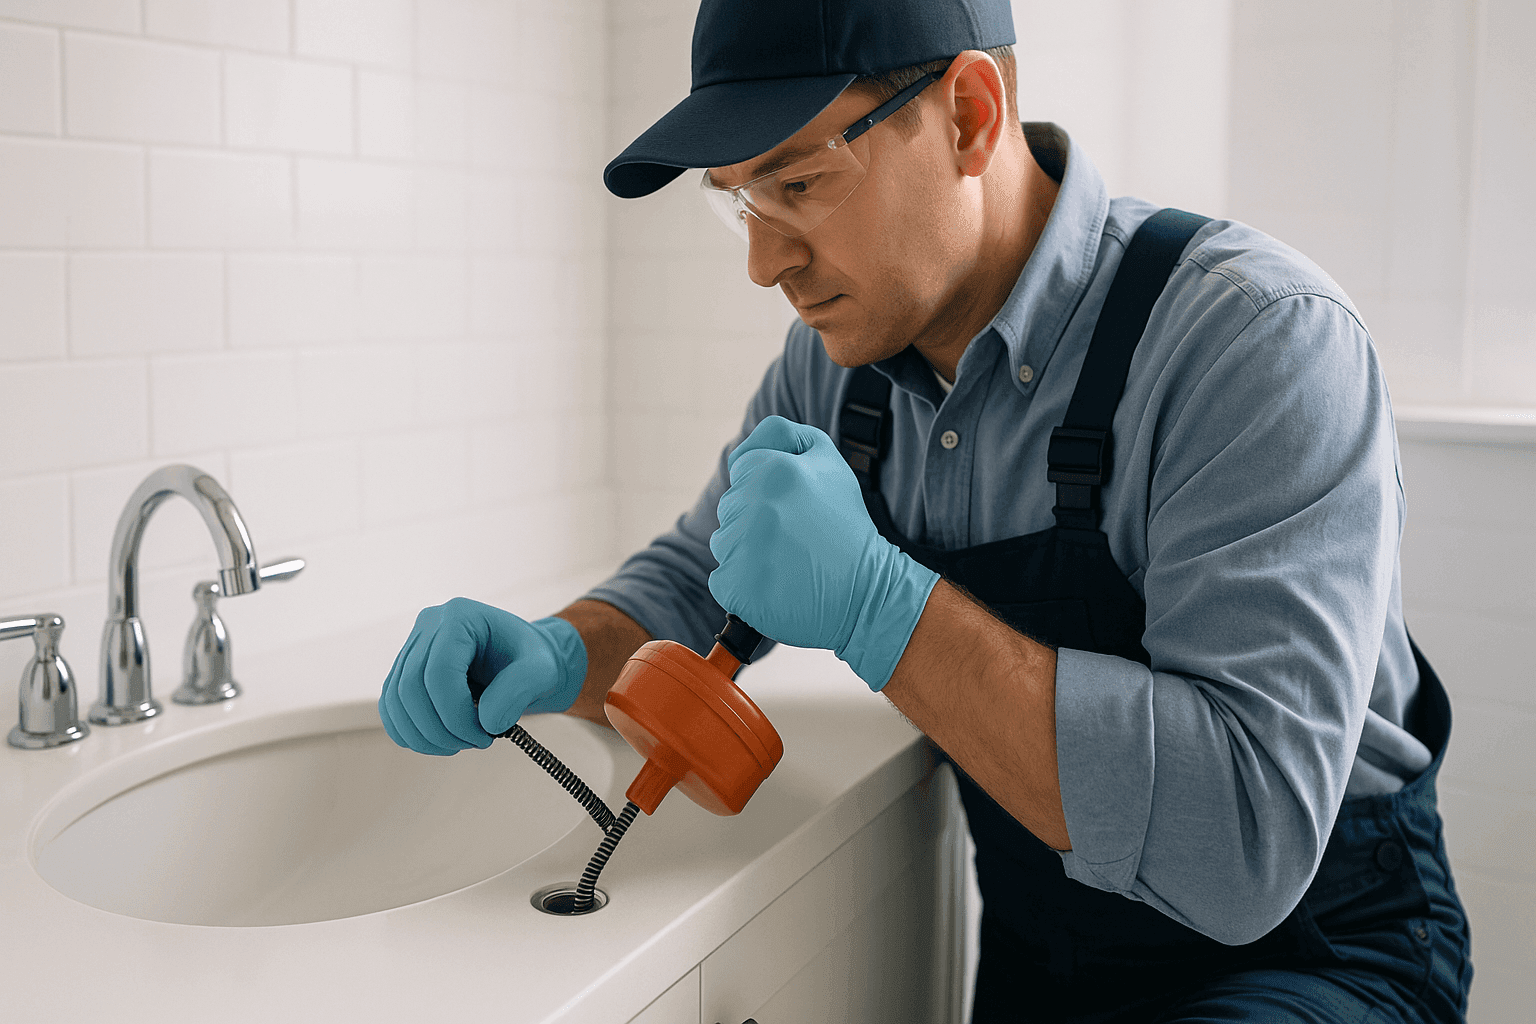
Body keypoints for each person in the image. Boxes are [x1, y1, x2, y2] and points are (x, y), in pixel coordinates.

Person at [377, 1, 1473, 1020]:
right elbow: (697, 576)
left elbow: (1242, 845)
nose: (765, 261)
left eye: (799, 184)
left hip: (1312, 956)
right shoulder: (834, 374)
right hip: (1050, 948)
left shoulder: (1255, 344)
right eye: (740, 200)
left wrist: (877, 603)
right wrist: (562, 648)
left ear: (968, 115)